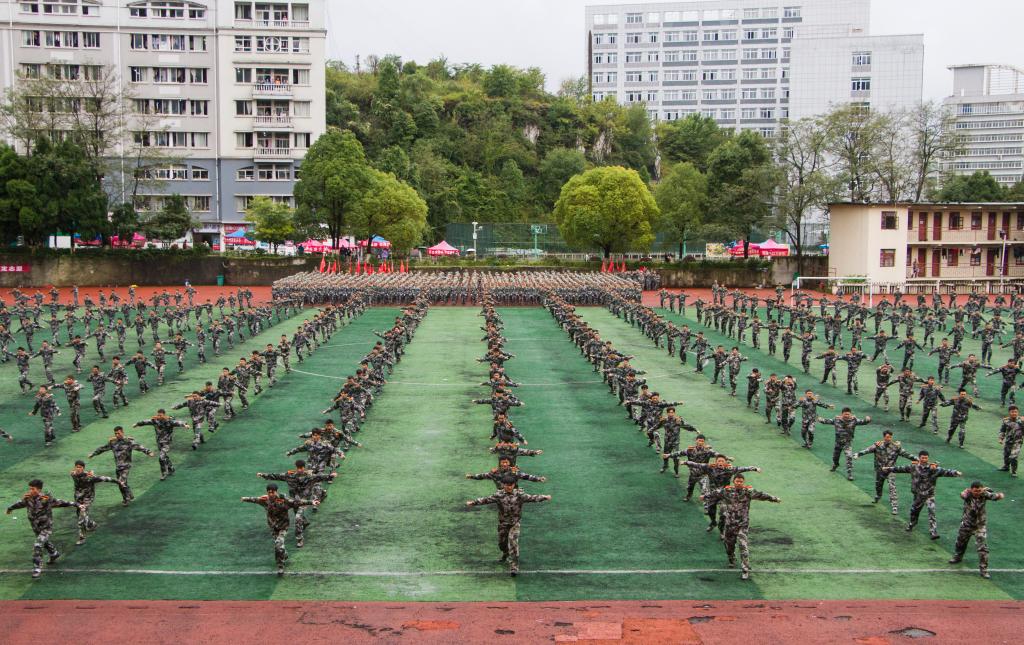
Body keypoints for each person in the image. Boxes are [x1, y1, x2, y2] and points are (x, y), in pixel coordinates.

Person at [466, 475, 551, 577]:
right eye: (507, 485)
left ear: (514, 485)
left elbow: (532, 498)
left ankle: (514, 567)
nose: (509, 487)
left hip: (515, 523)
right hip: (503, 523)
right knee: (502, 543)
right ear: (503, 485)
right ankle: (505, 553)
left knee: (513, 543)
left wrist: (544, 497)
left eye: (511, 485)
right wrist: (473, 503)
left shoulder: (519, 495)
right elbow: (486, 499)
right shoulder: (499, 495)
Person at [701, 473, 780, 580]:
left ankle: (745, 569)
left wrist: (774, 498)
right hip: (730, 524)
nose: (739, 483)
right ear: (734, 482)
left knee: (743, 546)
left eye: (741, 481)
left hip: (743, 524)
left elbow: (761, 495)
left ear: (743, 482)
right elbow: (715, 493)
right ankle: (731, 558)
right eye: (737, 481)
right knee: (729, 545)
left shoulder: (748, 492)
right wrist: (705, 496)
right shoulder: (727, 491)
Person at [5, 479, 80, 578]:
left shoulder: (46, 499)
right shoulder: (28, 498)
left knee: (38, 544)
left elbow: (61, 502)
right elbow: (20, 503)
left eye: (33, 489)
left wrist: (77, 504)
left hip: (46, 526)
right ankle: (54, 554)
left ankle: (37, 568)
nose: (30, 491)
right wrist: (10, 508)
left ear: (39, 489)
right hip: (35, 526)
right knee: (44, 542)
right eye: (30, 489)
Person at [241, 483, 318, 575]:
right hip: (273, 527)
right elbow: (255, 500)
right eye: (269, 492)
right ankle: (283, 554)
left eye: (272, 492)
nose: (271, 494)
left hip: (283, 527)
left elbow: (296, 502)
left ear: (276, 491)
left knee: (278, 545)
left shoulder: (284, 500)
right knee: (279, 547)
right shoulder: (265, 500)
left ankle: (280, 566)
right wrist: (245, 498)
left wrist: (311, 502)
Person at [883, 450, 962, 539]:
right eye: (922, 458)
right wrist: (888, 468)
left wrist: (955, 472)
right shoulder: (913, 467)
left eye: (926, 458)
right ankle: (912, 523)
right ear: (919, 458)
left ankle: (933, 532)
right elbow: (900, 469)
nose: (924, 459)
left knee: (931, 512)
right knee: (914, 512)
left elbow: (945, 471)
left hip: (929, 495)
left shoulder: (933, 469)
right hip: (918, 495)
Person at [257, 461, 336, 548]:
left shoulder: (309, 476)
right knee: (297, 512)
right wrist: (263, 475)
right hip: (293, 501)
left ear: (304, 468)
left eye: (301, 468)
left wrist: (330, 476)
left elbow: (319, 477)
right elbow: (276, 476)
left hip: (303, 500)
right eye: (298, 468)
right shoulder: (289, 476)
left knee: (298, 517)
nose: (299, 470)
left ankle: (299, 539)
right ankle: (304, 522)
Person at [948, 482, 1004, 578]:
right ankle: (958, 556)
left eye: (979, 490)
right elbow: (962, 495)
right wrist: (968, 491)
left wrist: (995, 494)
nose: (977, 493)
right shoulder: (968, 495)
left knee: (982, 548)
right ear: (971, 490)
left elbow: (999, 496)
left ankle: (984, 570)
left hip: (979, 526)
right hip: (966, 525)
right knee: (960, 543)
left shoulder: (984, 494)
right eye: (975, 491)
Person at [88, 426, 155, 504]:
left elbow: (139, 446)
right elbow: (103, 448)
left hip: (126, 466)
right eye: (115, 433)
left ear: (122, 432)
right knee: (121, 483)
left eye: (118, 433)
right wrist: (93, 454)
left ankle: (126, 499)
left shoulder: (128, 441)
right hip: (118, 466)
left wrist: (148, 452)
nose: (117, 435)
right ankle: (129, 495)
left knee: (121, 482)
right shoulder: (113, 442)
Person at [854, 430, 914, 515]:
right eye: (887, 437)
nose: (888, 439)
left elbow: (907, 454)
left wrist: (918, 460)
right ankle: (878, 496)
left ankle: (894, 507)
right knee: (878, 485)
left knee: (892, 487)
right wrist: (858, 454)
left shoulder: (896, 447)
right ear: (884, 437)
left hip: (891, 470)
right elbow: (867, 450)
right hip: (880, 470)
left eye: (890, 437)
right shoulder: (878, 445)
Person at [70, 460, 119, 544]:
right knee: (80, 514)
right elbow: (75, 473)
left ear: (83, 468)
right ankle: (92, 524)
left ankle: (82, 537)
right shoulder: (73, 474)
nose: (78, 469)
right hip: (78, 498)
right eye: (77, 467)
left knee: (81, 517)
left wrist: (117, 481)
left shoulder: (90, 477)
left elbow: (104, 478)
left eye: (80, 467)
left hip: (87, 498)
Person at [132, 409, 188, 480]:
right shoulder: (155, 421)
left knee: (161, 457)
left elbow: (177, 422)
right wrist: (137, 424)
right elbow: (146, 422)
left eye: (160, 415)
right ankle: (171, 468)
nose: (159, 417)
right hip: (159, 442)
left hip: (166, 443)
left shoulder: (169, 421)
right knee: (164, 456)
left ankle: (164, 473)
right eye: (158, 415)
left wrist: (185, 425)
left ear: (164, 415)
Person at [997, 405, 1024, 476]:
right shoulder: (1006, 420)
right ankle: (1006, 467)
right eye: (1012, 412)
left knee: (1013, 456)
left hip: (1018, 442)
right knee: (1006, 455)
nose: (1014, 413)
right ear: (1009, 412)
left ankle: (1014, 471)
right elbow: (1002, 430)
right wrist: (1000, 438)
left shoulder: (1022, 420)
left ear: (1018, 412)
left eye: (1016, 412)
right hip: (1008, 441)